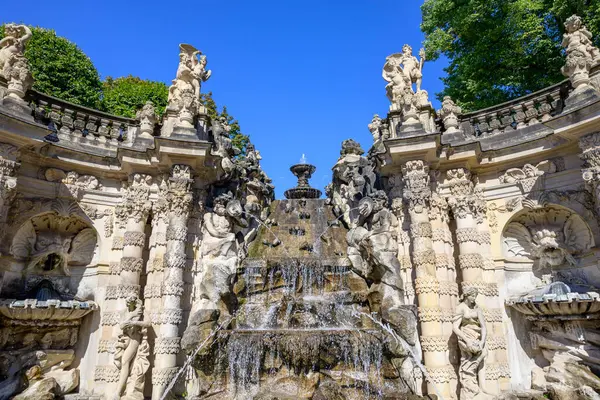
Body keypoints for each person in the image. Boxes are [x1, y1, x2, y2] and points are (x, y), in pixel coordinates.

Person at [453, 287, 488, 400]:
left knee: (483, 353)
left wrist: (482, 341)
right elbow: (455, 327)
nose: (474, 298)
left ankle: (481, 388)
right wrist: (466, 340)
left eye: (475, 296)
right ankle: (470, 390)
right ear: (467, 295)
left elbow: (483, 327)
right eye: (472, 296)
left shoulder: (477, 308)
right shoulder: (461, 308)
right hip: (466, 337)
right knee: (474, 356)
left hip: (477, 337)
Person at [113, 296, 150, 399]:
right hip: (125, 339)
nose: (129, 306)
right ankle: (121, 390)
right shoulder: (124, 312)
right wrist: (132, 316)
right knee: (124, 363)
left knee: (125, 361)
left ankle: (118, 392)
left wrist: (135, 322)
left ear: (135, 303)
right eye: (128, 304)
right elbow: (121, 326)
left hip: (135, 339)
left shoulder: (142, 311)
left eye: (132, 304)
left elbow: (148, 323)